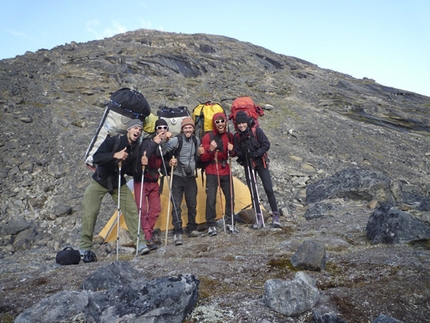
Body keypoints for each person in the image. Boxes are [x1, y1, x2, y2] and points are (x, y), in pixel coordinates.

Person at [79, 119, 148, 262]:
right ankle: (85, 246)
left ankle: (140, 243)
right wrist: (114, 156)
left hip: (118, 183)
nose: (137, 131)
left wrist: (142, 164)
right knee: (90, 212)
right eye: (135, 128)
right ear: (128, 130)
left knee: (131, 211)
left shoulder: (135, 149)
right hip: (100, 180)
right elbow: (97, 157)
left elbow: (131, 171)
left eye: (140, 129)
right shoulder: (114, 141)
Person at [233, 111, 281, 228]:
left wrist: (256, 154)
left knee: (268, 189)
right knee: (253, 192)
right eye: (239, 124)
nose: (241, 125)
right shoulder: (237, 137)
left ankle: (275, 215)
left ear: (247, 122)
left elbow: (266, 144)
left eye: (243, 123)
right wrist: (242, 153)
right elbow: (237, 152)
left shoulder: (256, 131)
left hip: (260, 163)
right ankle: (258, 217)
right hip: (248, 165)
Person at [133, 119, 171, 252]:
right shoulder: (147, 142)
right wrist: (155, 143)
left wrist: (171, 163)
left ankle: (147, 233)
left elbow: (164, 166)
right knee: (142, 210)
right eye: (159, 127)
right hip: (141, 179)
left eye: (164, 128)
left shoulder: (164, 145)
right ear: (156, 130)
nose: (162, 130)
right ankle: (147, 237)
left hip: (154, 181)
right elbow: (146, 156)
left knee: (155, 209)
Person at [163, 117, 201, 245]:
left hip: (191, 177)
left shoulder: (196, 141)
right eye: (186, 128)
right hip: (177, 176)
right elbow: (162, 152)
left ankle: (192, 228)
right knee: (176, 205)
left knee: (192, 203)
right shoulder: (176, 140)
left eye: (190, 127)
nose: (188, 130)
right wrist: (169, 163)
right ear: (182, 129)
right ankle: (177, 231)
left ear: (193, 129)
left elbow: (197, 157)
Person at [199, 112, 236, 236]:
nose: (220, 124)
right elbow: (202, 158)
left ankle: (230, 221)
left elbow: (234, 153)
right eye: (217, 122)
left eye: (222, 121)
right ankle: (211, 224)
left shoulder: (230, 136)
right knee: (211, 199)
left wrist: (233, 150)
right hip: (212, 170)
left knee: (230, 196)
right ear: (214, 124)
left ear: (225, 122)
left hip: (225, 169)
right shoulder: (207, 137)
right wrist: (210, 149)